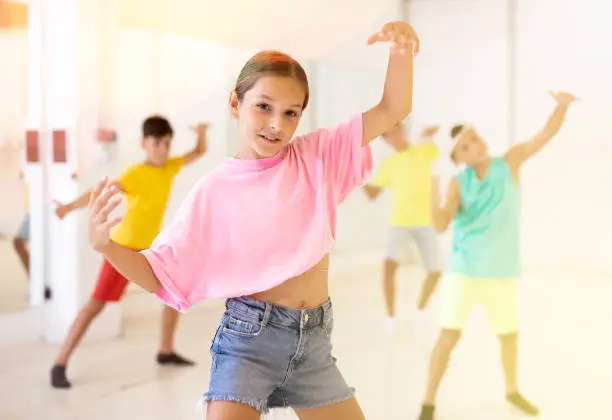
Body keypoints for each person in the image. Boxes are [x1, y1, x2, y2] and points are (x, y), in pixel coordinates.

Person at [87, 21, 419, 419]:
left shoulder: (317, 156)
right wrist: (105, 245)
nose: (276, 124)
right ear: (235, 104)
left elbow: (391, 109)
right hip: (248, 342)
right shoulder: (213, 191)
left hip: (313, 342)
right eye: (264, 106)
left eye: (290, 113)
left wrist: (401, 51)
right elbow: (158, 274)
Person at [418, 91, 578, 420]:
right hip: (464, 272)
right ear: (458, 157)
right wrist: (432, 188)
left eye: (475, 138)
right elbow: (439, 224)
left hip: (501, 272)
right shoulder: (457, 184)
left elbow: (545, 135)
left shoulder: (511, 161)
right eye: (466, 146)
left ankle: (512, 391)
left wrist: (561, 106)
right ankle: (428, 402)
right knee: (449, 337)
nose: (475, 145)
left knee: (509, 337)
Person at [50, 116, 208, 389]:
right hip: (123, 250)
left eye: (167, 143)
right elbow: (98, 193)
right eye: (157, 143)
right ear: (144, 144)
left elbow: (198, 152)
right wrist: (67, 207)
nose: (163, 149)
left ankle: (165, 350)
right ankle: (60, 362)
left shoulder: (170, 167)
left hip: (149, 250)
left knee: (175, 292)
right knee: (95, 305)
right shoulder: (136, 173)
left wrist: (202, 133)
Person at [363, 121, 443, 327]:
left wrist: (430, 133)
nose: (395, 135)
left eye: (396, 130)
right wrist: (356, 174)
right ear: (386, 140)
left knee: (435, 271)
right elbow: (373, 194)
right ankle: (390, 316)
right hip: (400, 222)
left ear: (403, 130)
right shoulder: (388, 164)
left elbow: (437, 148)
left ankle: (421, 308)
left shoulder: (424, 150)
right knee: (389, 266)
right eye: (389, 134)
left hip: (426, 221)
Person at [12, 172, 52, 300]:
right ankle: (35, 282)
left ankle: (36, 283)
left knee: (19, 242)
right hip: (34, 207)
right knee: (18, 242)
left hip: (42, 207)